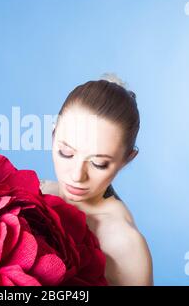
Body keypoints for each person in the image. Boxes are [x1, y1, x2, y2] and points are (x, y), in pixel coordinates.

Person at [40, 74, 153, 285]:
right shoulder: (37, 192)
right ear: (53, 135)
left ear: (127, 159)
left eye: (99, 163)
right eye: (66, 152)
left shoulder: (125, 245)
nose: (76, 175)